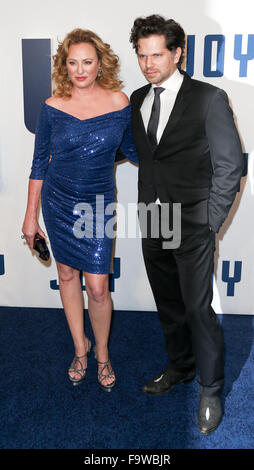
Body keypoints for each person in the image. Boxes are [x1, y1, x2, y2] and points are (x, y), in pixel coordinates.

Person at [129, 15, 244, 433]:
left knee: (198, 308)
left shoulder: (209, 98)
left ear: (178, 53)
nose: (147, 63)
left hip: (193, 220)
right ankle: (180, 367)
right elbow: (140, 153)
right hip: (153, 218)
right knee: (170, 305)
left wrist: (210, 221)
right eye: (141, 55)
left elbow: (231, 165)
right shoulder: (136, 98)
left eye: (156, 54)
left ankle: (211, 388)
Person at [22, 28, 138, 392]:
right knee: (68, 275)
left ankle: (102, 352)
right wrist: (30, 216)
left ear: (100, 63)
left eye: (87, 62)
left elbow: (136, 152)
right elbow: (39, 163)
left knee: (99, 287)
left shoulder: (120, 103)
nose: (80, 70)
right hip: (58, 201)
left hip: (98, 203)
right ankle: (80, 349)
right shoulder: (52, 108)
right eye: (72, 63)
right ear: (64, 66)